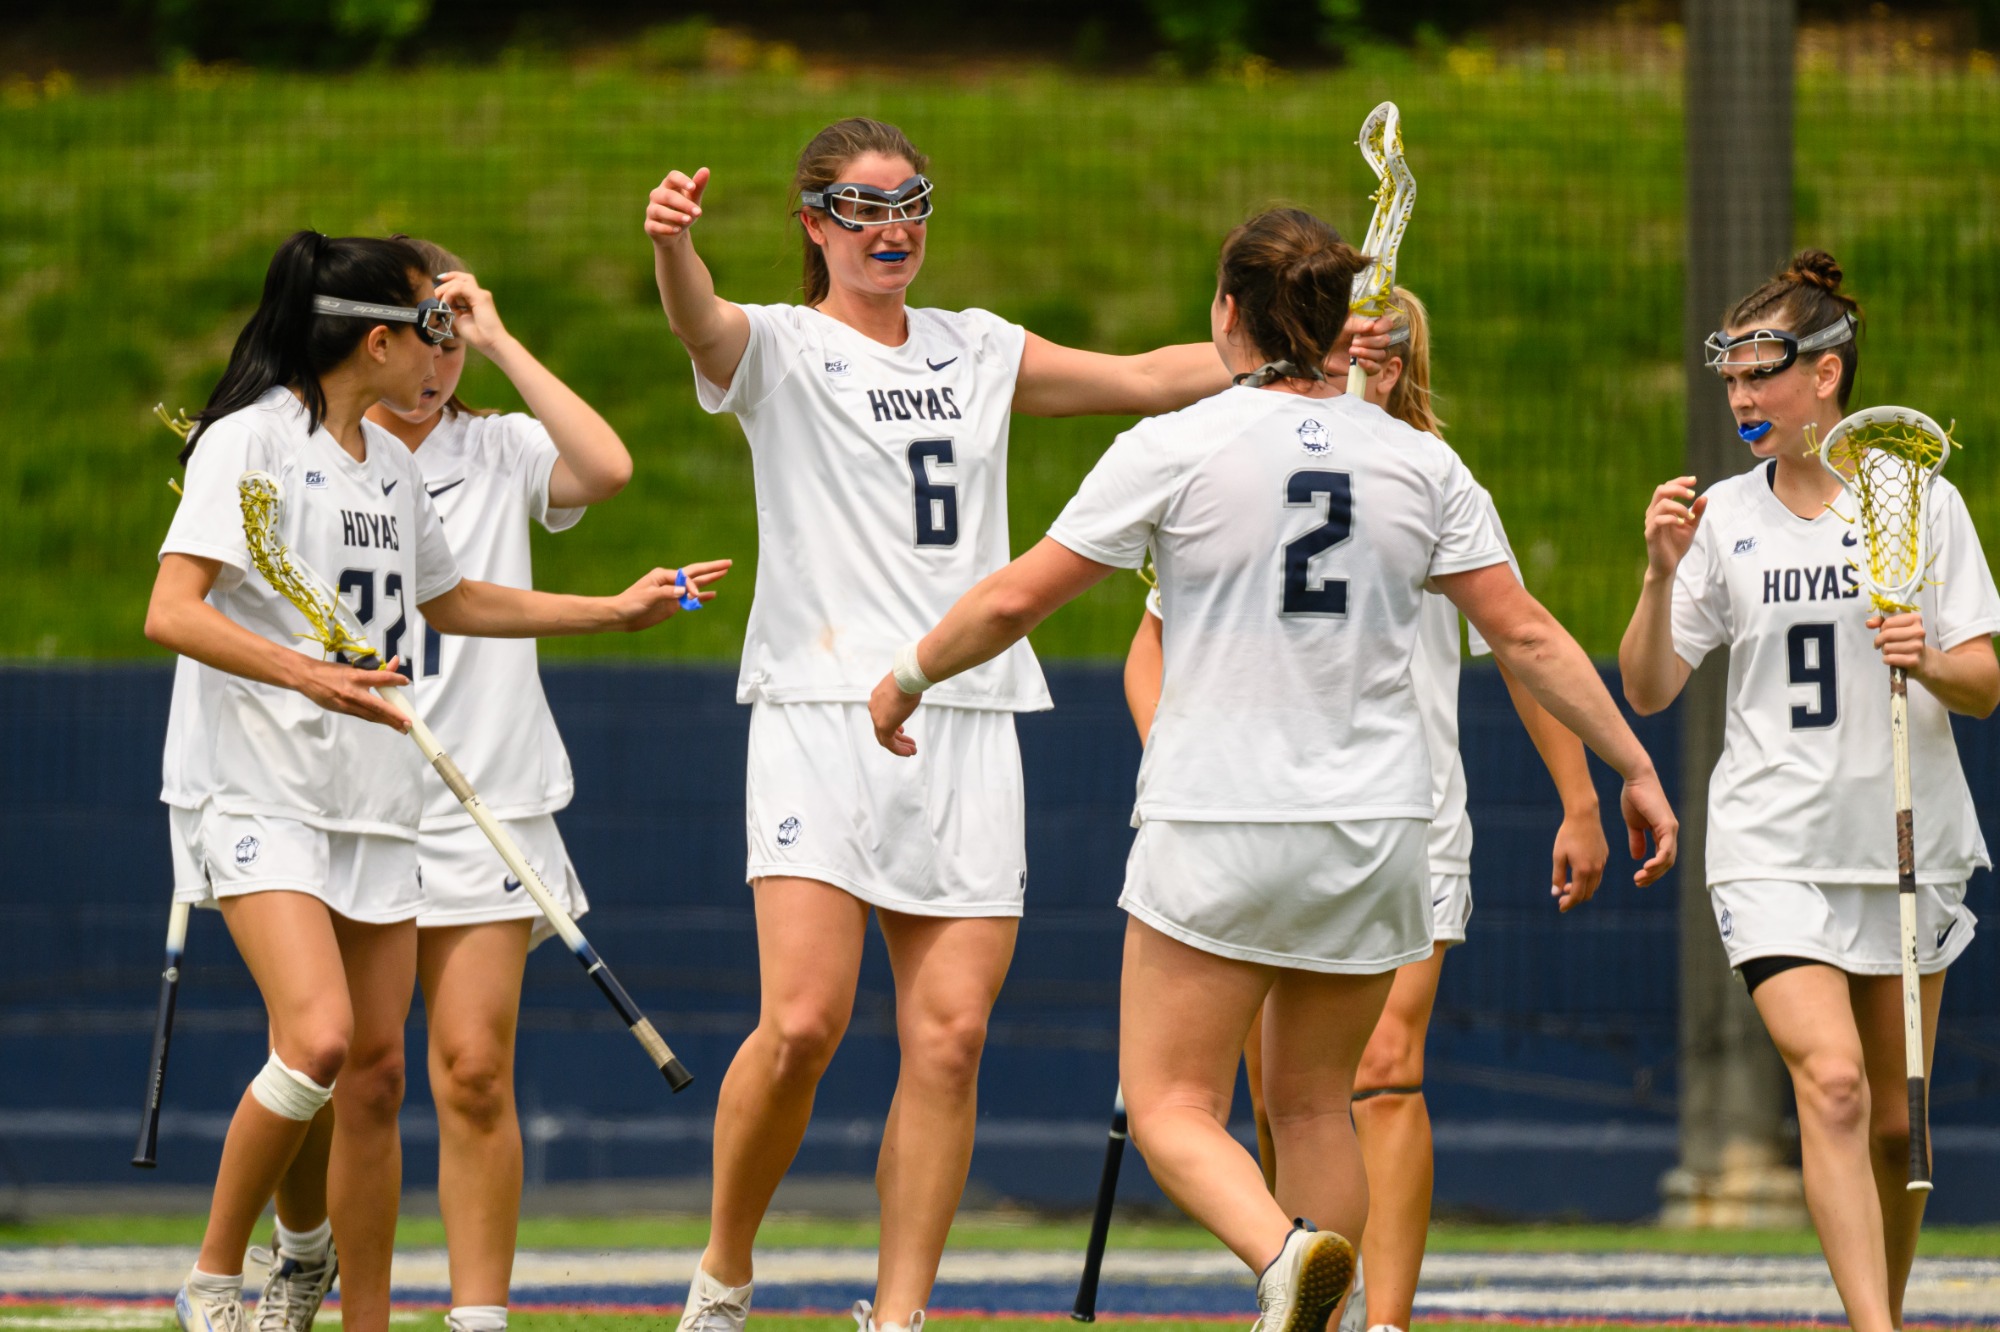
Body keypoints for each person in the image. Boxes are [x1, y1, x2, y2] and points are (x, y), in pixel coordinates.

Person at [869, 207, 1677, 1332]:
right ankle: (1322, 1306)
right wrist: (1631, 763)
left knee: (1169, 1105)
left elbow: (1013, 598)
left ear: (1228, 317)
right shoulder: (1420, 461)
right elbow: (1531, 637)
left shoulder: (1177, 442)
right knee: (1312, 1109)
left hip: (1220, 823)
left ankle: (1280, 1252)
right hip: (1377, 835)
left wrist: (907, 675)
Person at [644, 116, 1233, 1332]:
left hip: (966, 710)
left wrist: (1294, 354)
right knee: (801, 1024)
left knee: (951, 1041)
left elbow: (1138, 380)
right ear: (814, 224)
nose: (892, 226)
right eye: (861, 208)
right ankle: (723, 1271)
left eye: (909, 202)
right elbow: (702, 323)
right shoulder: (783, 347)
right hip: (818, 710)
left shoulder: (978, 347)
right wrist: (672, 247)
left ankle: (897, 1317)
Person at [150, 230, 726, 1332]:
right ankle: (217, 1280)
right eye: (430, 329)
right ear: (376, 341)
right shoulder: (246, 444)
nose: (444, 348)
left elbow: (453, 600)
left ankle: (326, 1270)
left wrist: (610, 608)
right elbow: (171, 611)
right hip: (267, 789)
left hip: (380, 803)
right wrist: (306, 675)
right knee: (317, 1042)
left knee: (368, 1067)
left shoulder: (396, 464)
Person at [1120, 286, 1612, 1332]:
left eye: (1394, 340)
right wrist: (1180, 766)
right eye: (1354, 333)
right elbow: (1150, 645)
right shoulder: (1250, 467)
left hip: (1402, 822)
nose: (1373, 352)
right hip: (1249, 819)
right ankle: (1301, 1291)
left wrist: (1580, 798)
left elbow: (1524, 650)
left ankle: (1380, 1314)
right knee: (1285, 1097)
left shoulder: (1432, 478)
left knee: (1381, 1072)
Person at [1619, 249, 1999, 1332]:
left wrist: (1920, 654)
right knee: (1829, 1085)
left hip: (1902, 846)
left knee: (1891, 1125)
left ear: (1823, 377)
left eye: (1758, 378)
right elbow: (1646, 687)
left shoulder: (1920, 501)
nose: (1739, 400)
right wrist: (1656, 572)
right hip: (1769, 847)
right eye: (1729, 382)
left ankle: (1877, 1301)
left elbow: (1981, 685)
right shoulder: (1723, 521)